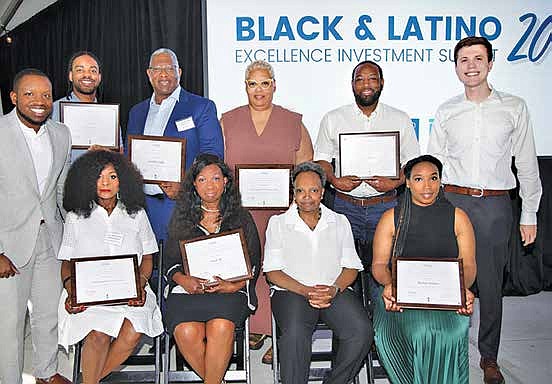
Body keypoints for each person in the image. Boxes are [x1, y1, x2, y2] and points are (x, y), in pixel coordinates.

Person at [427, 36, 542, 384]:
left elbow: (526, 164)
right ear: (456, 67)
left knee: (490, 285)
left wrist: (529, 213)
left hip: (495, 204)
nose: (471, 65)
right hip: (454, 203)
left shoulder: (515, 107)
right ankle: (449, 349)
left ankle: (489, 357)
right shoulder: (447, 110)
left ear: (491, 63)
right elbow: (435, 165)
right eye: (464, 60)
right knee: (450, 281)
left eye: (478, 58)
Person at [220, 59, 313, 363]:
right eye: (252, 83)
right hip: (240, 213)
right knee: (247, 266)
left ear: (274, 85)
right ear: (245, 87)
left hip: (283, 214)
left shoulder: (293, 121)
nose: (258, 89)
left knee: (283, 267)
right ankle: (256, 326)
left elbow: (306, 169)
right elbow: (219, 169)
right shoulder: (228, 121)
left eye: (264, 82)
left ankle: (282, 334)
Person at [57, 150, 163, 384]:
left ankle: (89, 381)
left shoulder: (136, 214)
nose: (105, 183)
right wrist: (71, 289)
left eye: (112, 177)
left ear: (123, 180)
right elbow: (66, 263)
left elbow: (147, 258)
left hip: (131, 291)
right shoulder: (75, 217)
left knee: (133, 331)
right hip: (90, 295)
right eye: (98, 177)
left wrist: (141, 284)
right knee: (98, 335)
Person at [264, 162, 372, 384]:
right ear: (293, 193)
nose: (307, 197)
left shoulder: (340, 222)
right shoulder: (278, 223)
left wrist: (333, 289)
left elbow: (351, 266)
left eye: (313, 190)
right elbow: (273, 272)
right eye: (300, 191)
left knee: (361, 332)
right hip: (292, 291)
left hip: (334, 290)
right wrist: (305, 290)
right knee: (294, 335)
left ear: (323, 192)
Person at [314, 60, 419, 289]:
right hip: (345, 205)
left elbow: (412, 163)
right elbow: (321, 160)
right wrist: (334, 180)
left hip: (385, 205)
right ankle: (353, 323)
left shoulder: (399, 118)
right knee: (342, 270)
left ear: (381, 83)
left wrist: (396, 182)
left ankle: (382, 323)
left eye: (372, 78)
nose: (366, 84)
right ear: (352, 85)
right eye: (360, 79)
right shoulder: (333, 118)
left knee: (384, 271)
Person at [371, 155, 476, 384]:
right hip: (399, 294)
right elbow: (379, 265)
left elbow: (468, 265)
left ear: (440, 181)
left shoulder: (458, 217)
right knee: (419, 332)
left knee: (451, 332)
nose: (427, 186)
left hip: (446, 295)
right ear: (407, 182)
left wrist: (461, 290)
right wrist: (391, 286)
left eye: (433, 178)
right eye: (418, 179)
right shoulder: (392, 217)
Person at [0, 68, 72, 384]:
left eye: (45, 94)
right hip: (9, 245)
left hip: (50, 238)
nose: (39, 101)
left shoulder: (61, 134)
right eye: (29, 94)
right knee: (10, 324)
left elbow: (59, 190)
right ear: (14, 98)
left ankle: (46, 373)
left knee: (48, 315)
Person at [164, 154, 261, 384]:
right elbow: (169, 261)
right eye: (202, 179)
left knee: (220, 326)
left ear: (226, 182)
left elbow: (254, 261)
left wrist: (233, 285)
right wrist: (183, 280)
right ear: (194, 185)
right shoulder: (182, 217)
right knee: (186, 331)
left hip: (229, 292)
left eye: (216, 178)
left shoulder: (241, 216)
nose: (210, 185)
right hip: (189, 291)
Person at [126, 48, 224, 241]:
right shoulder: (137, 112)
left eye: (170, 69)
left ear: (179, 72)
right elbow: (130, 156)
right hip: (141, 207)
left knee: (179, 267)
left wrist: (186, 185)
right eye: (157, 69)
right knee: (146, 266)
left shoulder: (201, 107)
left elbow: (213, 156)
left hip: (181, 204)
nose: (163, 74)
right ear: (149, 74)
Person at [51, 51, 122, 161]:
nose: (87, 75)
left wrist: (108, 154)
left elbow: (120, 153)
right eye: (80, 70)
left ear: (99, 77)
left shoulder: (110, 114)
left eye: (93, 70)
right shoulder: (53, 110)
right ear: (70, 76)